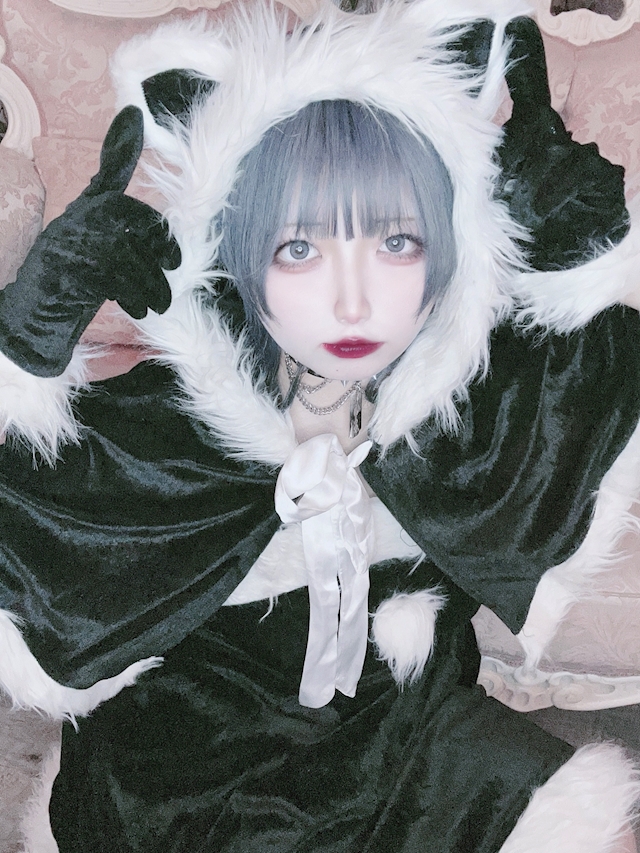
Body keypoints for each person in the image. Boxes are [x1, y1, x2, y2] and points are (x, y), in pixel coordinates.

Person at [0, 1, 639, 850]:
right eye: (299, 249)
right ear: (238, 250)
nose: (353, 301)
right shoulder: (175, 422)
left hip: (398, 730)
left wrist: (582, 268)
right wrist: (21, 358)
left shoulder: (462, 401)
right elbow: (33, 545)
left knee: (587, 822)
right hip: (198, 753)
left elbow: (588, 411)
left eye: (397, 242)